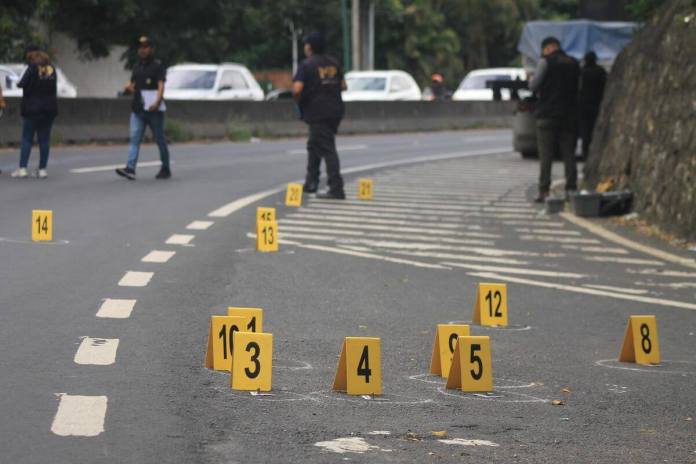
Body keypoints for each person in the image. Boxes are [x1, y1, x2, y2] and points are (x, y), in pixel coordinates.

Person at [292, 32, 346, 199]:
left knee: (326, 148)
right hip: (335, 110)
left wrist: (299, 101)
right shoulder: (334, 63)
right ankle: (311, 183)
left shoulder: (306, 65)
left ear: (309, 47)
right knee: (314, 145)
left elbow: (297, 89)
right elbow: (344, 86)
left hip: (317, 111)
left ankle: (336, 188)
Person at [529, 36, 580, 202]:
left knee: (546, 155)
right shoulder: (573, 63)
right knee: (568, 154)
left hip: (547, 115)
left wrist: (531, 78)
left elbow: (534, 85)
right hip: (569, 115)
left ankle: (544, 191)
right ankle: (571, 189)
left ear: (548, 48)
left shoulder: (545, 62)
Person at [116, 36, 170, 180]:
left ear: (152, 49)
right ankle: (130, 168)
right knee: (134, 139)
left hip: (154, 110)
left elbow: (161, 85)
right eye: (141, 47)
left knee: (159, 139)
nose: (143, 50)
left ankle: (165, 167)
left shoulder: (158, 66)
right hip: (138, 109)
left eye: (146, 47)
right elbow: (133, 85)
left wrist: (157, 102)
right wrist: (129, 87)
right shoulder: (137, 66)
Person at [11, 45, 58, 179]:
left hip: (32, 108)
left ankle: (22, 169)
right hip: (49, 108)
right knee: (44, 139)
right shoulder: (51, 69)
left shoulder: (31, 68)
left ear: (31, 58)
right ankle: (42, 169)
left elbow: (20, 83)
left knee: (27, 138)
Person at [578, 51, 607, 159]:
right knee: (595, 129)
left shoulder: (582, 72)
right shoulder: (600, 71)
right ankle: (596, 153)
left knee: (585, 131)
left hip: (584, 106)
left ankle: (586, 153)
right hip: (596, 105)